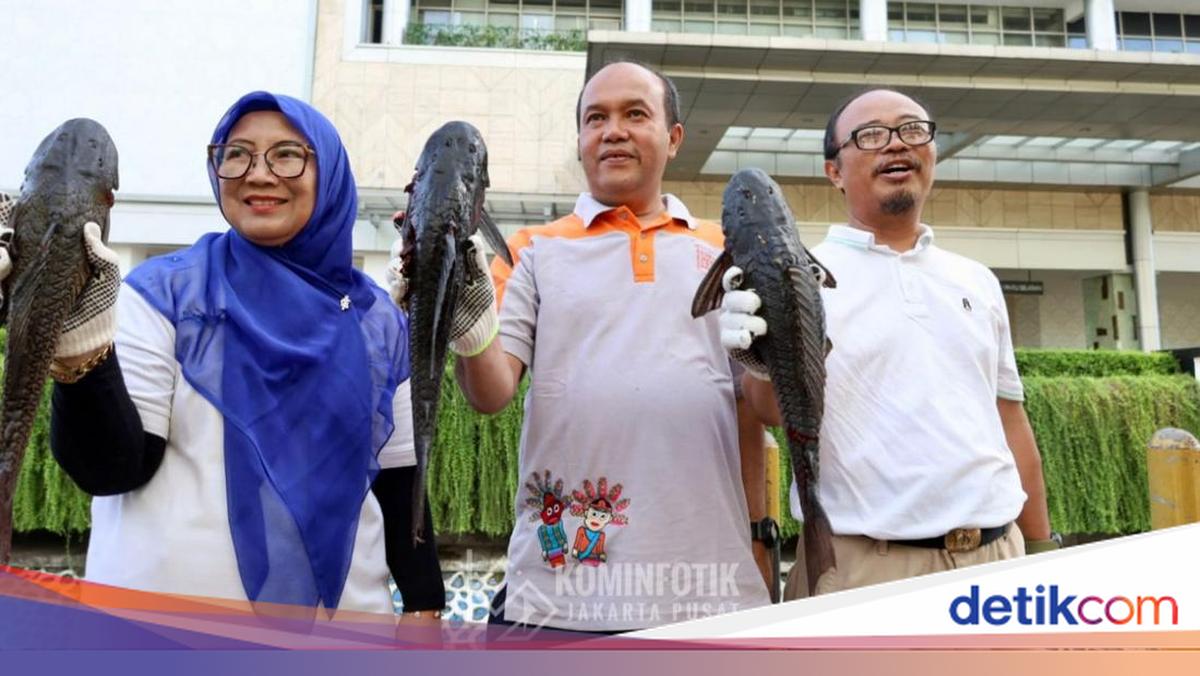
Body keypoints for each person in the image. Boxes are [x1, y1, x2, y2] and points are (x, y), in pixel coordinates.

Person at [0, 92, 442, 617]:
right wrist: (77, 345)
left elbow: (401, 491)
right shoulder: (161, 294)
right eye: (236, 154)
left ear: (331, 174)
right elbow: (112, 468)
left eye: (287, 154)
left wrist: (424, 611)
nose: (258, 173)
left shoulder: (377, 322)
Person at [388, 61, 771, 632]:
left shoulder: (728, 250)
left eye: (634, 114)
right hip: (562, 589)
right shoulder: (530, 250)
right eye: (596, 118)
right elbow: (491, 393)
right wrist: (468, 322)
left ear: (674, 137)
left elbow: (767, 411)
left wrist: (768, 359)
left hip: (706, 584)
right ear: (580, 140)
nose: (612, 130)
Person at [724, 88, 1059, 599]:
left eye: (912, 130)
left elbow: (1010, 422)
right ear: (833, 170)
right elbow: (772, 411)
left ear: (933, 153)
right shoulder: (803, 278)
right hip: (862, 569)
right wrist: (760, 360)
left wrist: (1040, 551)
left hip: (999, 560)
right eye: (871, 136)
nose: (896, 145)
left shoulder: (977, 281)